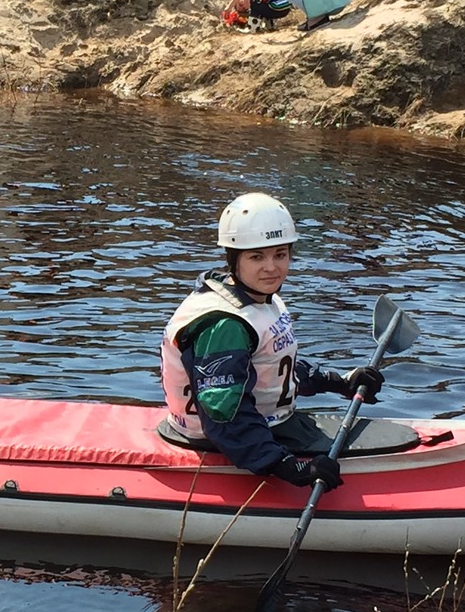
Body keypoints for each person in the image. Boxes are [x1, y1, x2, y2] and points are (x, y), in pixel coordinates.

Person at [159, 192, 384, 491]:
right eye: (257, 257)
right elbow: (226, 417)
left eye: (280, 254)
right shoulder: (225, 323)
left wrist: (337, 382)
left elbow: (271, 367)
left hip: (266, 423)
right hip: (222, 441)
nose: (271, 267)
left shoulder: (261, 299)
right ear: (233, 259)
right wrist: (287, 467)